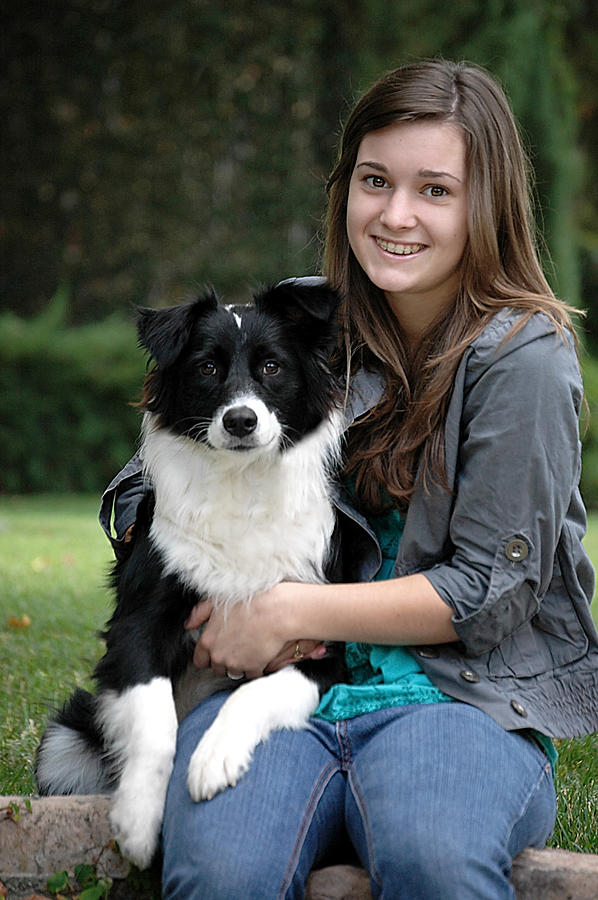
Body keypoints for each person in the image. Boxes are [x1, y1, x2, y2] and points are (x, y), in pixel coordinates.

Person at [100, 59, 598, 899]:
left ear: (488, 205)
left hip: (453, 701)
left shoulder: (524, 360)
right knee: (222, 869)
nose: (396, 215)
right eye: (376, 180)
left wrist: (284, 612)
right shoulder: (313, 320)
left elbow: (488, 593)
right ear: (344, 190)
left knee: (429, 853)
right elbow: (155, 479)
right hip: (278, 689)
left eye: (435, 190)